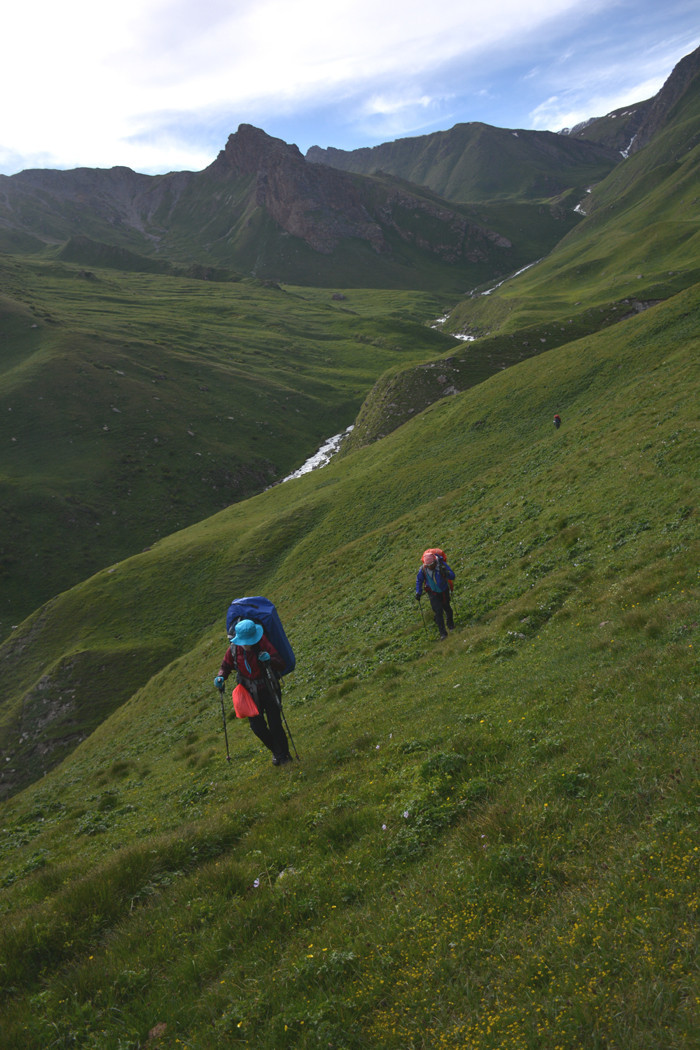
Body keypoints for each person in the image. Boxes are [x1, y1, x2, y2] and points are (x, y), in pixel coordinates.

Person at [213, 618, 292, 766]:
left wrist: (270, 660)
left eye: (250, 640)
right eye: (245, 641)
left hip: (269, 688)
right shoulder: (233, 650)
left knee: (275, 725)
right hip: (249, 694)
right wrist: (220, 677)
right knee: (258, 728)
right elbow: (225, 666)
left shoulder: (263, 643)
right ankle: (278, 752)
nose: (248, 644)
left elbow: (280, 664)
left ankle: (285, 757)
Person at [415, 550, 455, 640]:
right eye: (428, 565)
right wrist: (418, 592)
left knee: (447, 608)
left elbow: (452, 576)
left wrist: (446, 573)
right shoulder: (423, 569)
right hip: (432, 592)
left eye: (431, 565)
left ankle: (451, 625)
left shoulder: (442, 565)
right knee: (438, 612)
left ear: (435, 561)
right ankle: (443, 634)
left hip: (444, 590)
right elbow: (419, 581)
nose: (430, 567)